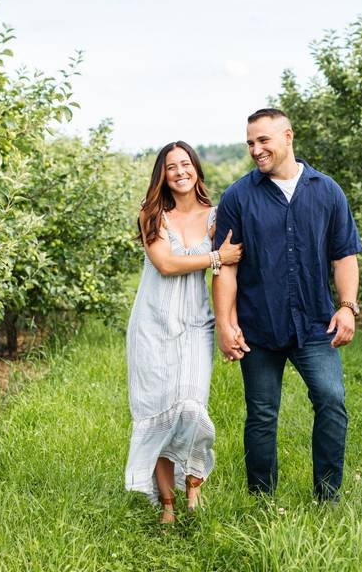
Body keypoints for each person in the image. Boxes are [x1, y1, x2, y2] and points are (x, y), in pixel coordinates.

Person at [212, 108, 362, 503]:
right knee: (261, 414)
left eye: (263, 140)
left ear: (288, 136)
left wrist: (347, 306)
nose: (255, 149)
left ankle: (327, 496)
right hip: (259, 325)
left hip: (315, 324)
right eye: (249, 143)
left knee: (331, 401)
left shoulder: (327, 191)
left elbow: (344, 254)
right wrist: (226, 325)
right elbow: (225, 266)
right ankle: (261, 499)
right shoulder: (238, 197)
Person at [125, 141, 243, 524]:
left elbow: (229, 273)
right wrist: (214, 257)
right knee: (161, 412)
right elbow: (166, 264)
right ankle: (167, 504)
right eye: (171, 166)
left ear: (196, 169)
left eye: (185, 164)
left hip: (196, 324)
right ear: (162, 174)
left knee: (191, 408)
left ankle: (193, 487)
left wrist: (230, 322)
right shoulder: (152, 214)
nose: (179, 172)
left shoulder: (216, 216)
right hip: (153, 325)